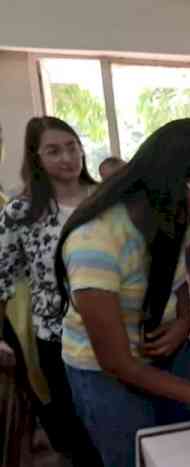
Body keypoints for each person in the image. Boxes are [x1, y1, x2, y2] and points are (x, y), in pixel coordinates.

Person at [54, 119, 190, 467]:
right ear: (166, 181)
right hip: (105, 373)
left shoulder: (178, 217)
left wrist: (183, 321)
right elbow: (116, 362)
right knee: (136, 457)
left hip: (169, 354)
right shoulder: (94, 243)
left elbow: (177, 277)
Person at [0, 116, 101, 467]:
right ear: (36, 158)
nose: (67, 158)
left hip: (114, 331)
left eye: (72, 146)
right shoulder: (22, 211)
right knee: (76, 431)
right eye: (53, 151)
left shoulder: (105, 198)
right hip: (59, 339)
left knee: (116, 422)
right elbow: (1, 275)